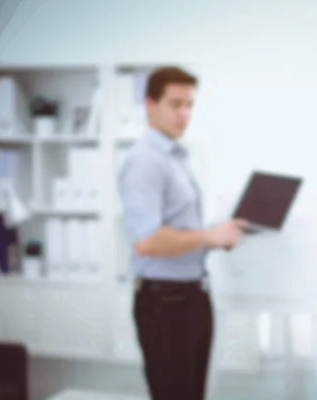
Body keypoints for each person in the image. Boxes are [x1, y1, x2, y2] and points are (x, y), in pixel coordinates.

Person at [117, 66, 247, 400]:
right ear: (150, 104)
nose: (184, 114)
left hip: (190, 297)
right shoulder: (146, 161)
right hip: (165, 304)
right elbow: (146, 241)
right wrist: (208, 237)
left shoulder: (175, 157)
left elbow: (179, 229)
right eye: (175, 104)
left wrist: (219, 235)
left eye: (189, 104)